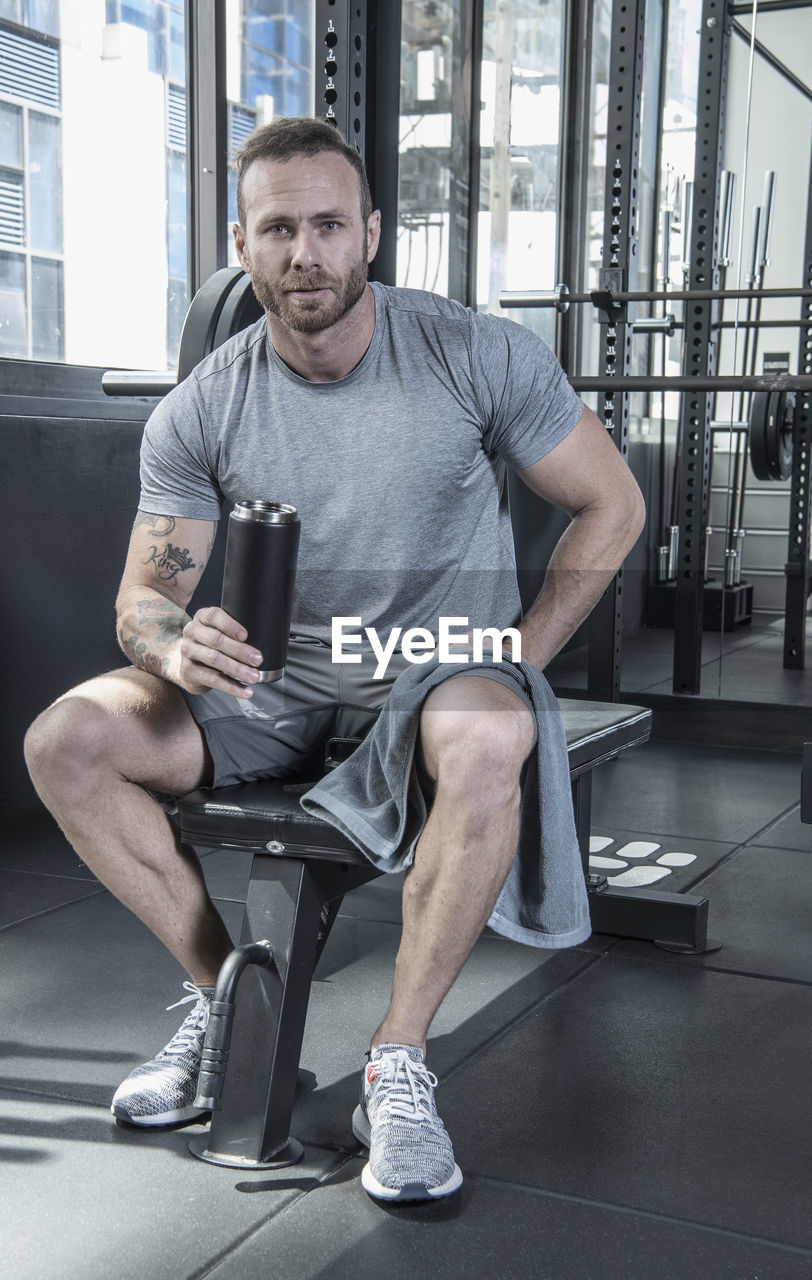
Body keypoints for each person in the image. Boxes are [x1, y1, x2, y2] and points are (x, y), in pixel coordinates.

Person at [24, 116, 645, 1203]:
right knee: (67, 738)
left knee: (493, 724)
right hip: (275, 683)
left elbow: (612, 504)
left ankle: (395, 1058)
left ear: (369, 234)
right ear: (242, 243)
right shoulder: (203, 405)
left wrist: (518, 658)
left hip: (434, 668)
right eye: (276, 229)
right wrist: (175, 638)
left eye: (324, 226)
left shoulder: (470, 351)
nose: (303, 253)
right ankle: (232, 1001)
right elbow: (144, 597)